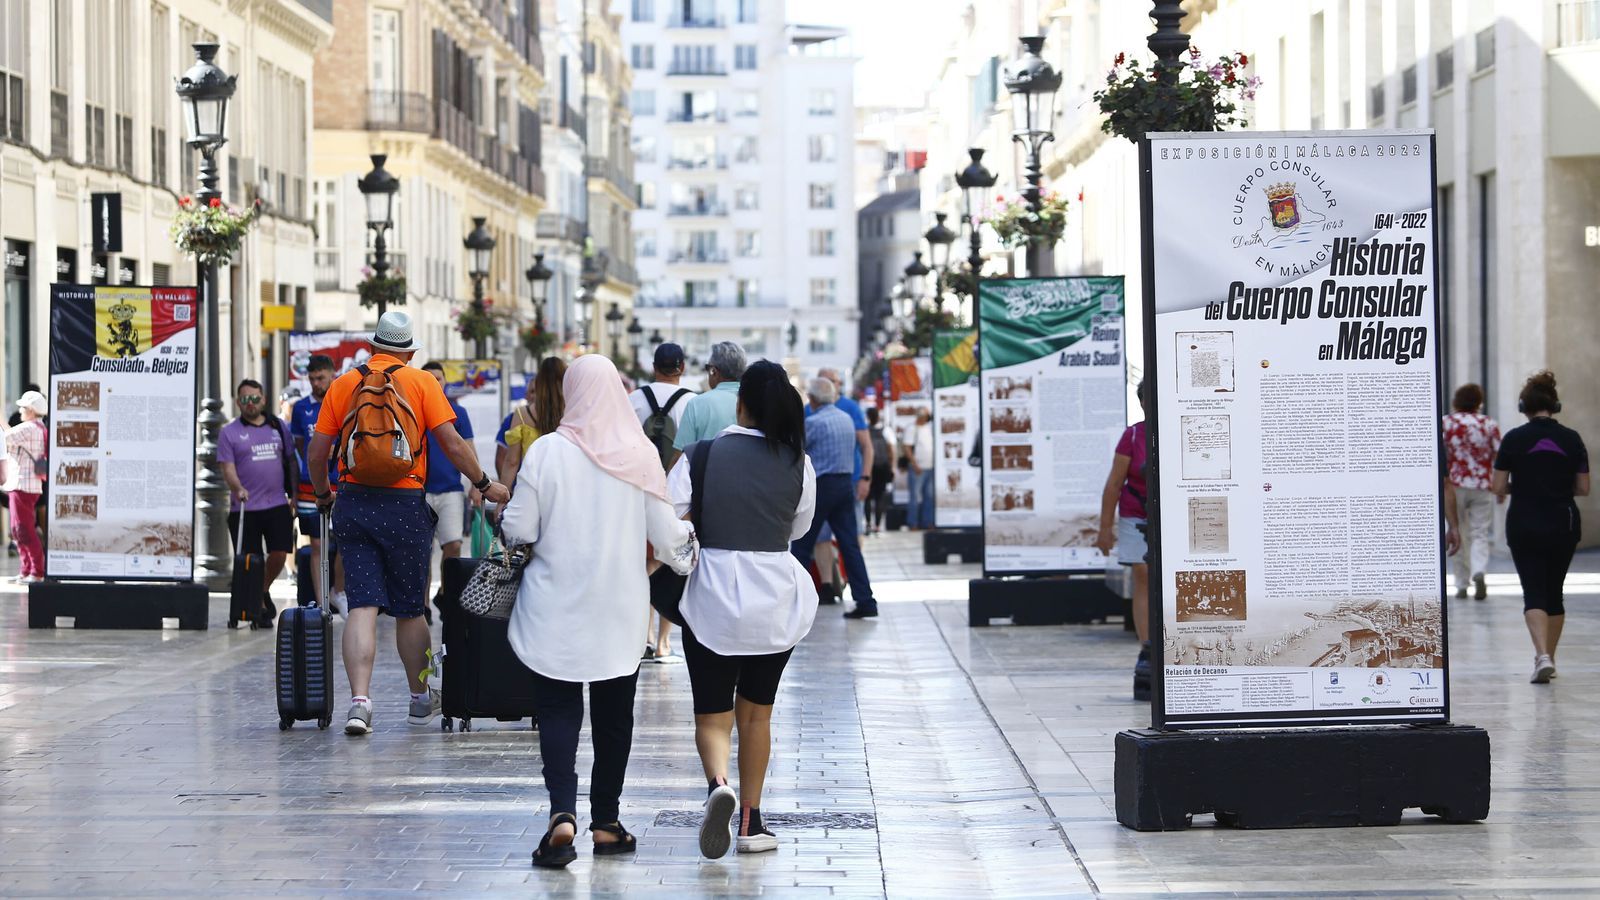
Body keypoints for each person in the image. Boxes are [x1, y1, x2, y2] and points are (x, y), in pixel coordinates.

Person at [498, 354, 696, 868]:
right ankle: (606, 822)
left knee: (560, 711)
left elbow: (518, 530)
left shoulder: (546, 453)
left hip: (553, 607)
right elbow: (669, 538)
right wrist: (690, 548)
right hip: (619, 610)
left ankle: (561, 815)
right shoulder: (641, 455)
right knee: (614, 716)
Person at [306, 312, 511, 735]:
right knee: (408, 609)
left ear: (373, 346)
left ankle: (360, 704)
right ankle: (419, 699)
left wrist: (324, 494)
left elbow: (317, 450)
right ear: (410, 351)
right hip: (404, 502)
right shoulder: (422, 383)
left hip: (354, 500)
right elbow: (452, 443)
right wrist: (484, 483)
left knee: (362, 603)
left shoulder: (345, 384)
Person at [674, 360, 817, 858]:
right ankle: (752, 823)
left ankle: (718, 785)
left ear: (740, 404)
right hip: (775, 601)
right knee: (757, 716)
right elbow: (798, 529)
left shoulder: (701, 456)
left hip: (712, 598)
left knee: (713, 717)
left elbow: (671, 522)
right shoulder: (799, 461)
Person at [1491, 370, 1588, 685]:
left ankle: (1541, 655)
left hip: (1524, 522)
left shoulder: (1514, 439)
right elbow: (1583, 487)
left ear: (1524, 407)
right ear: (1554, 405)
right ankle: (1550, 658)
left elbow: (1498, 485)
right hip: (1563, 521)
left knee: (1532, 591)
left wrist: (1523, 484)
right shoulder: (1572, 439)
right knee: (1554, 592)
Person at [791, 377, 878, 619]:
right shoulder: (846, 419)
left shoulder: (813, 422)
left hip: (823, 486)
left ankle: (794, 600)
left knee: (801, 544)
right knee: (850, 545)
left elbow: (797, 451)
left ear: (814, 399)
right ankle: (865, 600)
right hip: (845, 485)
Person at [630, 342, 694, 660]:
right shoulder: (692, 403)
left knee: (642, 564)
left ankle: (644, 636)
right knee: (671, 563)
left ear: (653, 367)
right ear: (681, 368)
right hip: (676, 498)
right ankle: (665, 642)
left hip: (638, 493)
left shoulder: (634, 400)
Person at [219, 379, 297, 610]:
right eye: (245, 399)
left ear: (263, 400)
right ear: (238, 402)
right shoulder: (229, 432)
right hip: (245, 507)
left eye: (255, 398)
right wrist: (237, 488)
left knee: (279, 555)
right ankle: (256, 606)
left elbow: (291, 460)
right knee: (251, 561)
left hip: (276, 504)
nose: (250, 404)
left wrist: (293, 494)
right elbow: (228, 468)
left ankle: (261, 590)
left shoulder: (278, 427)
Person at [1094, 380, 1150, 700]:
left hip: (1169, 515)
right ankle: (1147, 646)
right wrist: (1105, 530)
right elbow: (1114, 484)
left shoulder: (1177, 428)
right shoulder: (1132, 436)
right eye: (1144, 400)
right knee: (1142, 574)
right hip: (1135, 514)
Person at [421, 361, 481, 619]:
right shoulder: (414, 412)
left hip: (451, 491)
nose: (435, 382)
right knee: (422, 551)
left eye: (439, 378)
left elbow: (467, 448)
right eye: (430, 378)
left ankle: (446, 594)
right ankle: (422, 604)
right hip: (419, 492)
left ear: (445, 382)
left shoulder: (458, 413)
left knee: (453, 544)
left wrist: (478, 484)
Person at [289, 355, 345, 611]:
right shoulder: (301, 408)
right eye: (311, 379)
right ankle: (321, 601)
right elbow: (301, 445)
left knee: (346, 539)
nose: (316, 383)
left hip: (341, 481)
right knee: (316, 544)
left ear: (332, 375)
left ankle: (339, 591)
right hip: (309, 484)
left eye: (320, 377)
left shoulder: (344, 402)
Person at [1442, 383, 1502, 600]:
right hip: (1482, 485)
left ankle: (1461, 583)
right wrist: (1500, 485)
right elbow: (1499, 456)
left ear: (1456, 401)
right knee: (1479, 533)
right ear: (1479, 402)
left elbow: (1441, 455)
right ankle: (1479, 571)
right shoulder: (1489, 424)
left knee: (1457, 532)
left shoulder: (1447, 423)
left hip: (1454, 485)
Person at [496, 357, 566, 487]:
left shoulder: (522, 414)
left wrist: (502, 498)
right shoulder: (573, 411)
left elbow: (512, 461)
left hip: (531, 486)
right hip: (565, 485)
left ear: (539, 382)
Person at [4, 390, 48, 583]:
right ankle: (27, 569)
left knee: (24, 530)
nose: (20, 410)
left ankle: (37, 571)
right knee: (18, 529)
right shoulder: (38, 428)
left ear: (30, 410)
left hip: (23, 484)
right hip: (25, 484)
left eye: (22, 407)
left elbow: (7, 437)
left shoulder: (30, 428)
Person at [674, 341, 746, 451]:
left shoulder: (696, 404)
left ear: (714, 371)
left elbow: (680, 455)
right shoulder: (753, 401)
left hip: (707, 467)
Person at [864, 407, 895, 535]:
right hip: (882, 467)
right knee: (880, 497)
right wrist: (892, 467)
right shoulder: (887, 430)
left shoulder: (865, 430)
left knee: (867, 498)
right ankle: (877, 525)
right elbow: (891, 451)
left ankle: (868, 524)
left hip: (869, 468)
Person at [903, 408, 934, 530]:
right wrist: (914, 464)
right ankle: (913, 522)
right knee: (915, 497)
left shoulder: (930, 428)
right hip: (918, 468)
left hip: (930, 467)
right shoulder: (912, 428)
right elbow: (907, 448)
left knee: (929, 497)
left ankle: (928, 522)